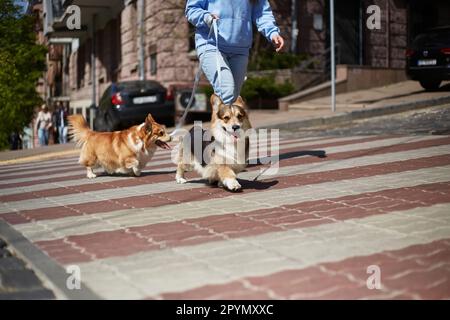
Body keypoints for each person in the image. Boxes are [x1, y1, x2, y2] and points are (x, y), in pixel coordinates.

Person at [185, 0, 284, 106]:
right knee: (227, 92)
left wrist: (272, 32)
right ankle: (232, 122)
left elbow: (262, 12)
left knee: (233, 98)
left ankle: (222, 121)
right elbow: (191, 9)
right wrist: (206, 17)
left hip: (240, 49)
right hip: (211, 44)